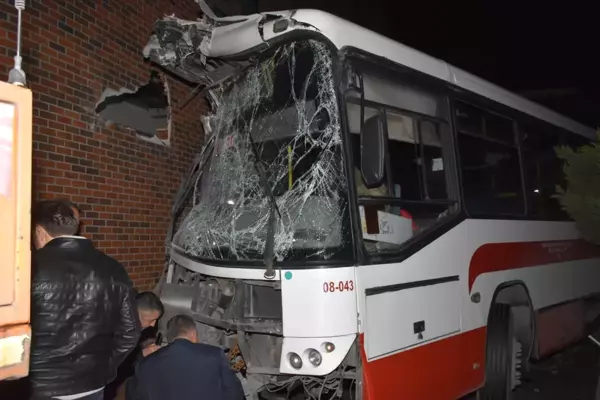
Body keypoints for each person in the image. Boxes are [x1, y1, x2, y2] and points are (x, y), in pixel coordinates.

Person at [29, 200, 141, 400]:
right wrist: (103, 366)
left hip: (42, 387)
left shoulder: (28, 267)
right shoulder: (113, 268)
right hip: (92, 385)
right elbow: (130, 332)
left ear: (39, 232)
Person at [127, 314, 244, 400]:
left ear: (169, 337)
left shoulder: (146, 364)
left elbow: (133, 395)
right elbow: (235, 394)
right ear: (193, 334)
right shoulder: (214, 354)